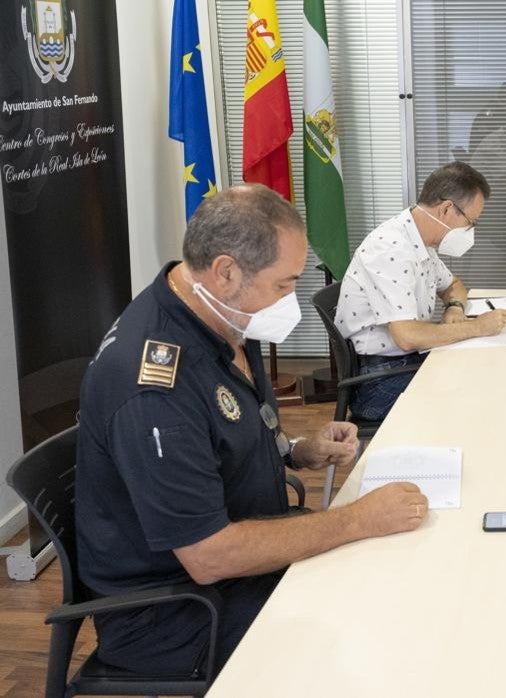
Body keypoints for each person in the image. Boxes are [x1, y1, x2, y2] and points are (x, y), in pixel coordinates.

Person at [75, 184, 430, 675]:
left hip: (243, 556)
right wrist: (358, 519)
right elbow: (209, 556)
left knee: (391, 578)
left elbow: (230, 432)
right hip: (178, 610)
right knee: (366, 638)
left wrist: (299, 451)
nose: (290, 300)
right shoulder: (154, 387)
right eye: (283, 285)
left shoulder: (225, 319)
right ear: (225, 272)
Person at [336, 162, 506, 421]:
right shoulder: (392, 249)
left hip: (407, 361)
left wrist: (454, 308)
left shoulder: (420, 240)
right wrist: (478, 328)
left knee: (489, 374)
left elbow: (454, 285)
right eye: (471, 222)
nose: (471, 231)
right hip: (378, 382)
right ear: (447, 209)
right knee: (481, 397)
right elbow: (407, 336)